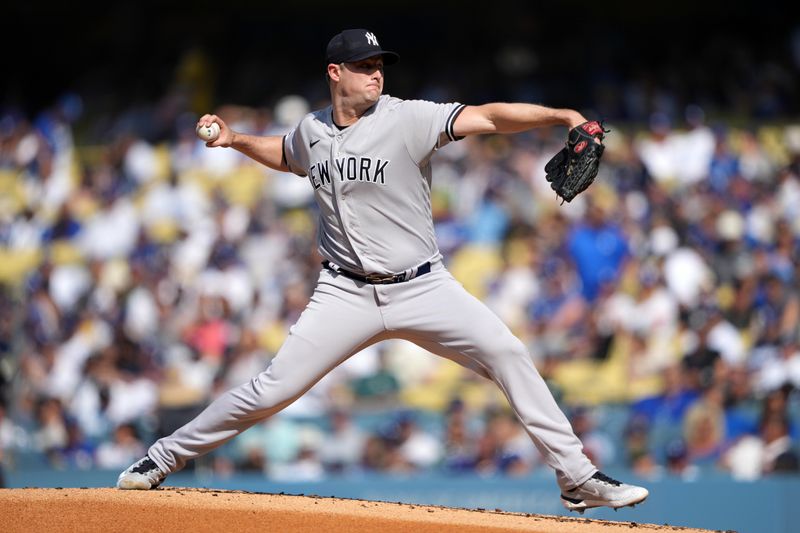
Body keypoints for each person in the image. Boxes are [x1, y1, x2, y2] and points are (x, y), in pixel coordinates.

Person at [117, 28, 649, 512]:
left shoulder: (407, 118)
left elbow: (488, 115)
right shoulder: (312, 130)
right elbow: (285, 153)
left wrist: (561, 116)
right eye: (364, 64)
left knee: (508, 352)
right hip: (343, 293)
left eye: (380, 64)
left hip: (422, 285)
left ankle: (577, 477)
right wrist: (235, 141)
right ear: (335, 73)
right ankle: (160, 458)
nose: (376, 72)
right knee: (272, 390)